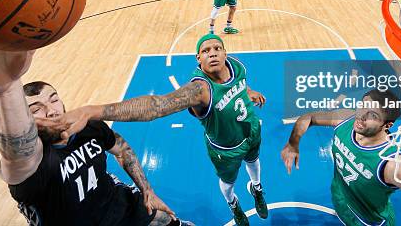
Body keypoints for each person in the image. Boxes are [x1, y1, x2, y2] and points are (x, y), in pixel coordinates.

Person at [0, 21, 191, 226]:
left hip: (114, 205)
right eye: (36, 108)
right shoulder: (30, 164)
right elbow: (16, 150)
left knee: (165, 218)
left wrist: (147, 190)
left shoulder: (87, 126)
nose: (52, 110)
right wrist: (6, 89)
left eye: (54, 100)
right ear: (25, 118)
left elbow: (121, 148)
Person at [38, 34, 269, 226]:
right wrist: (93, 111)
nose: (213, 52)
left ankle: (256, 189)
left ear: (225, 54)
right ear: (199, 59)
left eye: (218, 48)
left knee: (254, 162)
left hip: (250, 131)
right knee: (228, 184)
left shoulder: (236, 65)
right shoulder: (199, 89)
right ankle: (234, 204)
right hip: (224, 148)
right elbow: (156, 105)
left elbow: (239, 84)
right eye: (206, 50)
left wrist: (249, 92)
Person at [281, 90, 401, 226]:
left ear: (387, 125)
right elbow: (308, 117)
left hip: (368, 221)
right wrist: (293, 143)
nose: (361, 116)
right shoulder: (345, 119)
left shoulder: (394, 164)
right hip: (340, 201)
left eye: (373, 116)